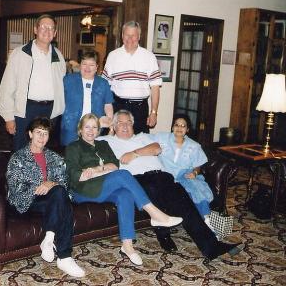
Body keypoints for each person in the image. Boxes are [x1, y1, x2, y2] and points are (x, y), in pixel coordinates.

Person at [98, 110, 241, 260]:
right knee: (153, 191)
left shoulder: (143, 137)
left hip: (160, 175)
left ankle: (211, 247)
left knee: (183, 200)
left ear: (133, 124)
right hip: (135, 179)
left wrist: (134, 153)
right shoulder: (107, 141)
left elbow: (156, 148)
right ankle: (163, 235)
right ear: (114, 126)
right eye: (120, 123)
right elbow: (87, 138)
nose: (125, 126)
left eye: (128, 122)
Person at [65, 113, 183, 266]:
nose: (91, 130)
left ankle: (127, 246)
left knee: (125, 194)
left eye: (94, 127)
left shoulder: (103, 145)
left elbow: (114, 165)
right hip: (82, 190)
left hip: (101, 184)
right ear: (80, 129)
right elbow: (76, 176)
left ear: (99, 130)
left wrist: (96, 169)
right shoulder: (73, 147)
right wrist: (100, 171)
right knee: (123, 175)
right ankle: (155, 214)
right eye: (87, 127)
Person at [6, 117, 85, 278]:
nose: (42, 137)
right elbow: (14, 188)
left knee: (60, 194)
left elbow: (64, 182)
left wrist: (51, 183)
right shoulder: (18, 158)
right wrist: (38, 188)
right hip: (26, 202)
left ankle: (50, 240)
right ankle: (64, 256)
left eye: (46, 134)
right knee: (61, 200)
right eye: (38, 133)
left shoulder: (55, 158)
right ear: (30, 134)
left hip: (52, 200)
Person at [0, 14, 66, 151]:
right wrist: (8, 117)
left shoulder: (58, 55)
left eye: (51, 28)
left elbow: (62, 84)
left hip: (50, 111)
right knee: (22, 149)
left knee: (43, 150)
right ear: (35, 30)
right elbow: (7, 86)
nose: (47, 31)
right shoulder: (20, 53)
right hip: (26, 109)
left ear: (55, 33)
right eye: (43, 27)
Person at [150, 114, 214, 225]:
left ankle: (207, 219)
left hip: (184, 175)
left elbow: (197, 165)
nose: (179, 128)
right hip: (165, 176)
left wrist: (195, 172)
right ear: (172, 127)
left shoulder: (194, 146)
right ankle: (204, 220)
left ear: (187, 129)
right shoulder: (161, 137)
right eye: (176, 125)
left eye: (183, 126)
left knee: (196, 186)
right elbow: (142, 139)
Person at [102, 21, 161, 134]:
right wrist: (105, 112)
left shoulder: (149, 56)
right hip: (118, 106)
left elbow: (155, 88)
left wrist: (154, 112)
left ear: (139, 36)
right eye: (126, 35)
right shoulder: (113, 55)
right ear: (122, 36)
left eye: (133, 35)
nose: (130, 38)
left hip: (140, 109)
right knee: (115, 142)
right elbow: (104, 86)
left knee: (140, 141)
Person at [61, 51, 114, 146]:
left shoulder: (103, 83)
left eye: (91, 65)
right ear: (79, 65)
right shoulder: (68, 80)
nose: (87, 68)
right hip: (71, 126)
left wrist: (109, 120)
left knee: (92, 156)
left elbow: (108, 104)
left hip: (94, 128)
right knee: (71, 155)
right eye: (84, 63)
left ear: (97, 67)